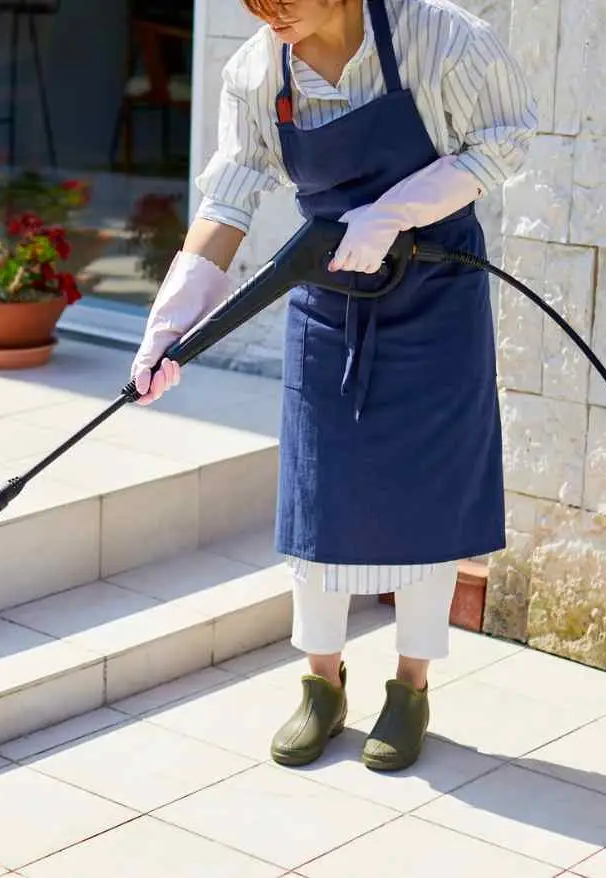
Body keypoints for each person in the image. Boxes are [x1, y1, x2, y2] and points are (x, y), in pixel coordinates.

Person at [130, 0, 537, 772]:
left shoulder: (441, 39)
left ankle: (410, 687)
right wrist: (175, 313)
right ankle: (321, 683)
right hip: (328, 300)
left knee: (427, 497)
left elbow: (506, 140)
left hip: (436, 295)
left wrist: (396, 211)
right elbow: (230, 195)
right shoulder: (257, 69)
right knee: (318, 494)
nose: (268, 10)